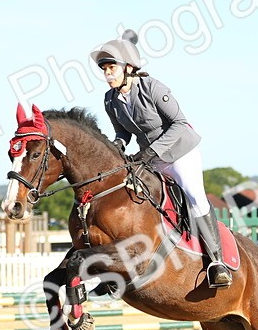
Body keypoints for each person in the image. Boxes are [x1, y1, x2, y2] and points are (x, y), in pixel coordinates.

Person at [89, 29, 232, 288]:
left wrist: (152, 152)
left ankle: (217, 262)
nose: (107, 74)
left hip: (180, 152)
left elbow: (179, 123)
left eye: (112, 68)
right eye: (105, 70)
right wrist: (116, 145)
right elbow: (122, 132)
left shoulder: (153, 88)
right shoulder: (110, 100)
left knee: (195, 197)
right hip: (149, 158)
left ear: (128, 67)